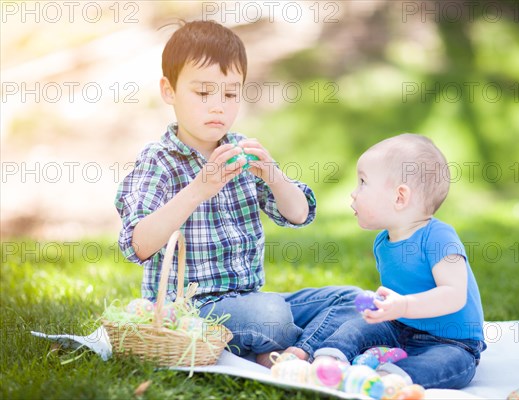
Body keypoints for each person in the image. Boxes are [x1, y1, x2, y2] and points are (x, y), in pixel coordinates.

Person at [114, 20, 360, 367]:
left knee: (351, 299)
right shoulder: (159, 162)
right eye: (203, 93)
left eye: (230, 94)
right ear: (169, 91)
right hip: (189, 310)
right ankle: (296, 344)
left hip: (248, 300)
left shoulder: (239, 152)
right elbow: (138, 244)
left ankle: (291, 352)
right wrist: (199, 188)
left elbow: (300, 214)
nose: (218, 106)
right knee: (273, 315)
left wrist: (273, 176)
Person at [311, 134, 486, 389]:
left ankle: (389, 378)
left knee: (447, 363)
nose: (353, 193)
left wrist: (403, 305)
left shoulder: (438, 237)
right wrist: (389, 308)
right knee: (358, 326)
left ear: (400, 197)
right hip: (402, 327)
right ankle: (331, 359)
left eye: (362, 182)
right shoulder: (383, 243)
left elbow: (454, 295)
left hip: (452, 341)